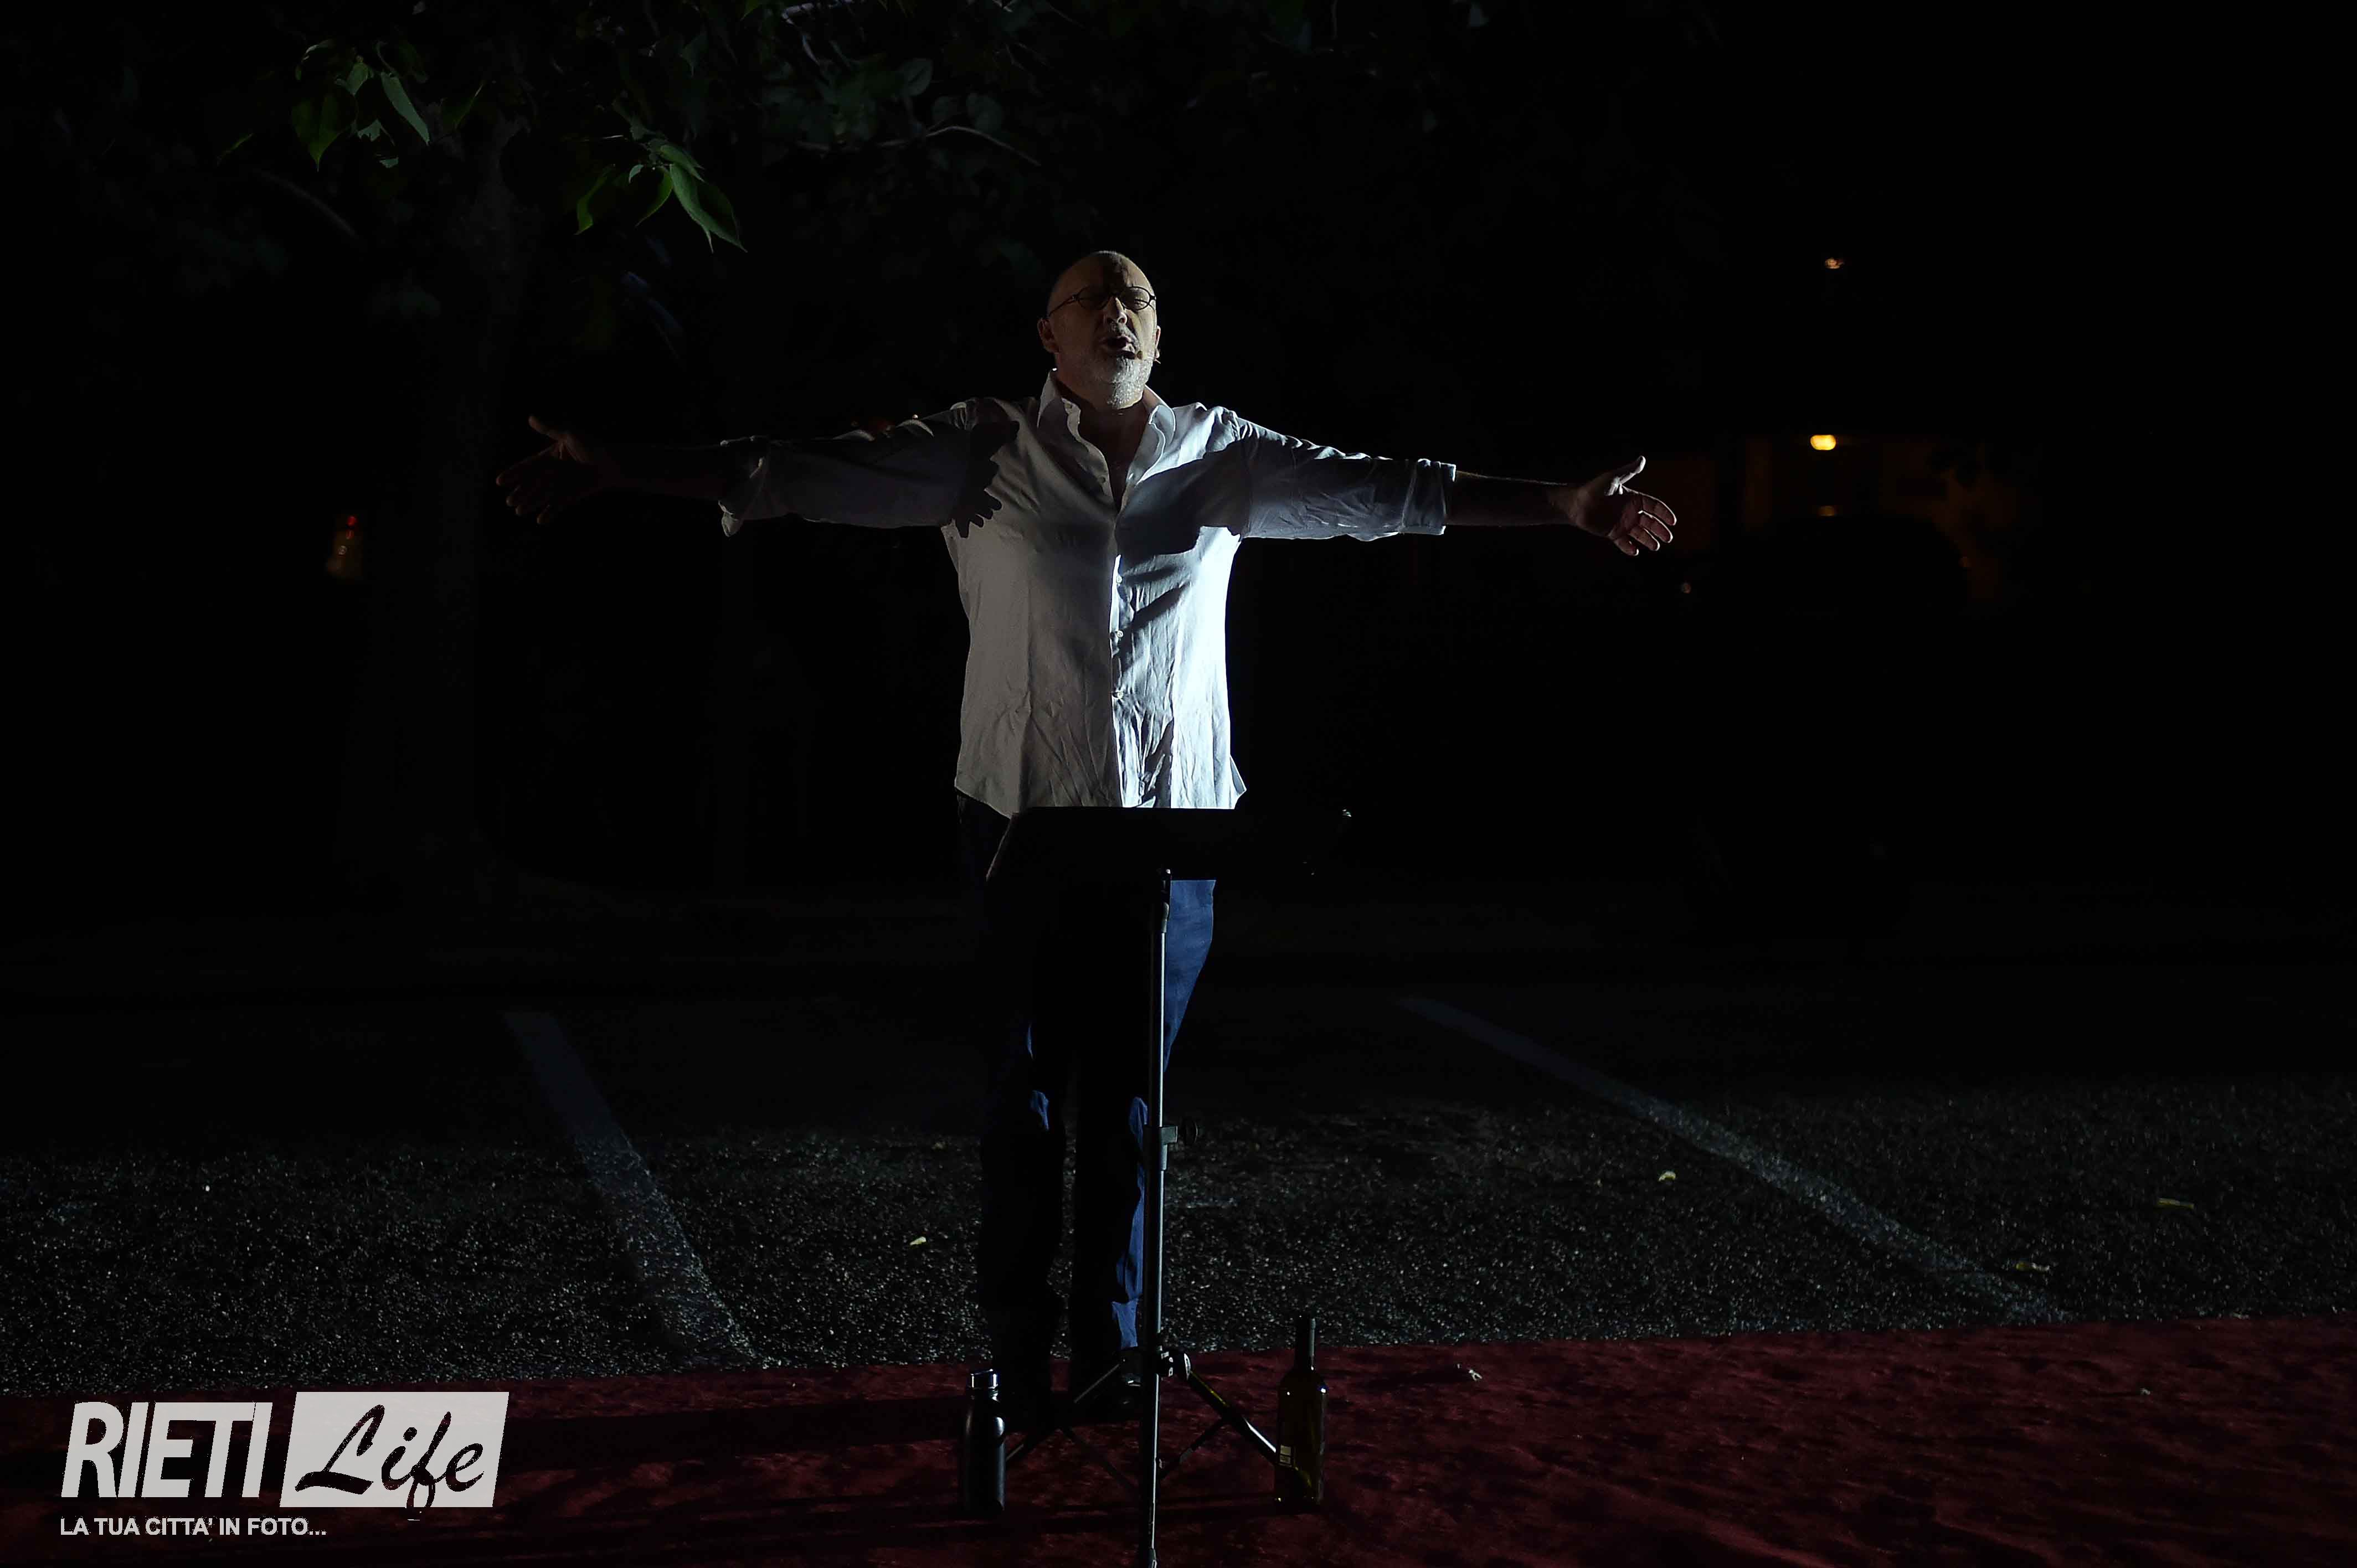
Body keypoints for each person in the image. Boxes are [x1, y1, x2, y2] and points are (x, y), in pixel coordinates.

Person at [492, 249, 1677, 1431]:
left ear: (1158, 336)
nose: (1118, 314)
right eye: (1092, 301)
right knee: (1024, 1104)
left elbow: (1386, 492)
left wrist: (1559, 503)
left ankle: (1114, 1366)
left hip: (1171, 834)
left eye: (1138, 301)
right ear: (1048, 336)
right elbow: (793, 470)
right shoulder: (984, 445)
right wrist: (623, 468)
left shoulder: (1218, 452)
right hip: (1022, 823)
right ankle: (1017, 1363)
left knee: (1129, 1114)